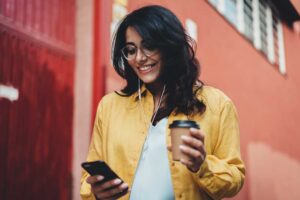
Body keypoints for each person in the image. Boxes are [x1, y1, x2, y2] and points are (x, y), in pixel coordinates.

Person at [80, 5, 245, 200]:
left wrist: (203, 166)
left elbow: (235, 178)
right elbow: (87, 182)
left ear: (170, 45)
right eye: (131, 50)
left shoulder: (218, 105)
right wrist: (96, 193)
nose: (140, 58)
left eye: (149, 46)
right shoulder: (109, 107)